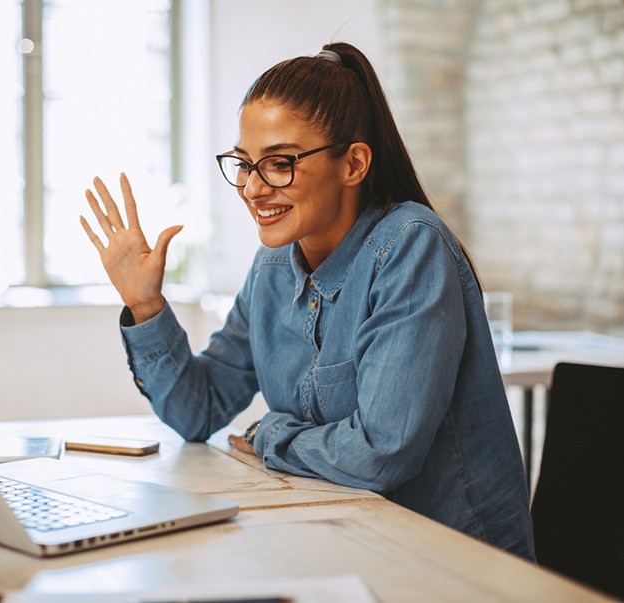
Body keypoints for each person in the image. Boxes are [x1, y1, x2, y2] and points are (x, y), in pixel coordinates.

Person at [80, 42, 535, 560]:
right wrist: (145, 306)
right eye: (244, 164)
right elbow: (198, 410)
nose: (252, 188)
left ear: (354, 164)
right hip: (340, 541)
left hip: (450, 564)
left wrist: (273, 433)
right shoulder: (273, 267)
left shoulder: (410, 245)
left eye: (279, 163)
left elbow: (381, 454)